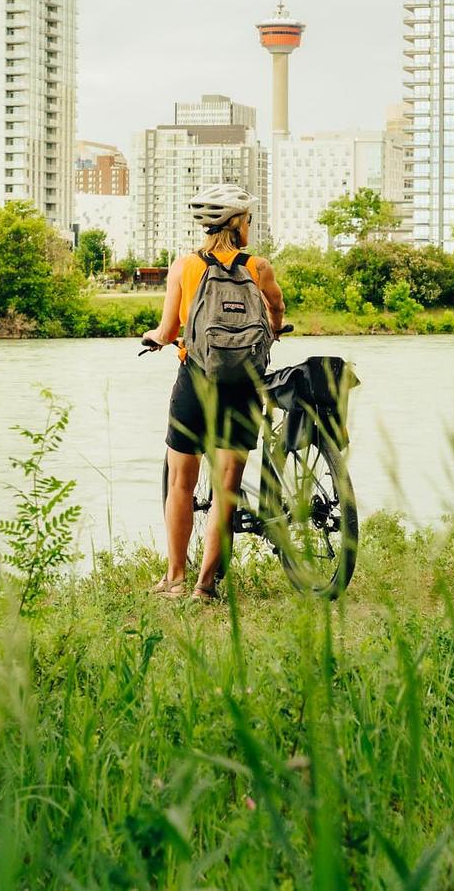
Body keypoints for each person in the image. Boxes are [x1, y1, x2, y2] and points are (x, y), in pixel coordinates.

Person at [141, 183, 285, 599]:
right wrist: (274, 329)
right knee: (227, 487)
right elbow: (275, 308)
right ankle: (206, 585)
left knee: (181, 485)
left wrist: (155, 336)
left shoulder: (184, 267)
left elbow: (169, 331)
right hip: (242, 385)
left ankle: (175, 578)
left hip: (195, 378)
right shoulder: (258, 267)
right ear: (239, 224)